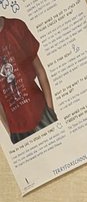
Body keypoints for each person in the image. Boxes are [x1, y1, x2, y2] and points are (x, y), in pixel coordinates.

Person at [0, 16, 56, 145]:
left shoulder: (16, 27)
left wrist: (50, 111)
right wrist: (10, 132)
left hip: (42, 116)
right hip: (17, 131)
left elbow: (40, 71)